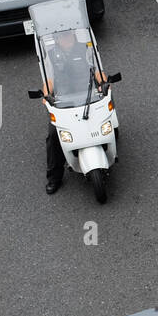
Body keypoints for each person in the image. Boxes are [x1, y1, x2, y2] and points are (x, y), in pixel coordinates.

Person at [43, 30, 106, 194]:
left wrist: (103, 83)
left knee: (107, 116)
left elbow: (98, 71)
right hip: (64, 103)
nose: (65, 38)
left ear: (73, 34)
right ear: (56, 39)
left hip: (88, 96)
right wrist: (46, 95)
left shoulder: (86, 48)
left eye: (67, 34)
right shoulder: (50, 56)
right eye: (61, 36)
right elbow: (48, 81)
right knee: (53, 136)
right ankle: (54, 177)